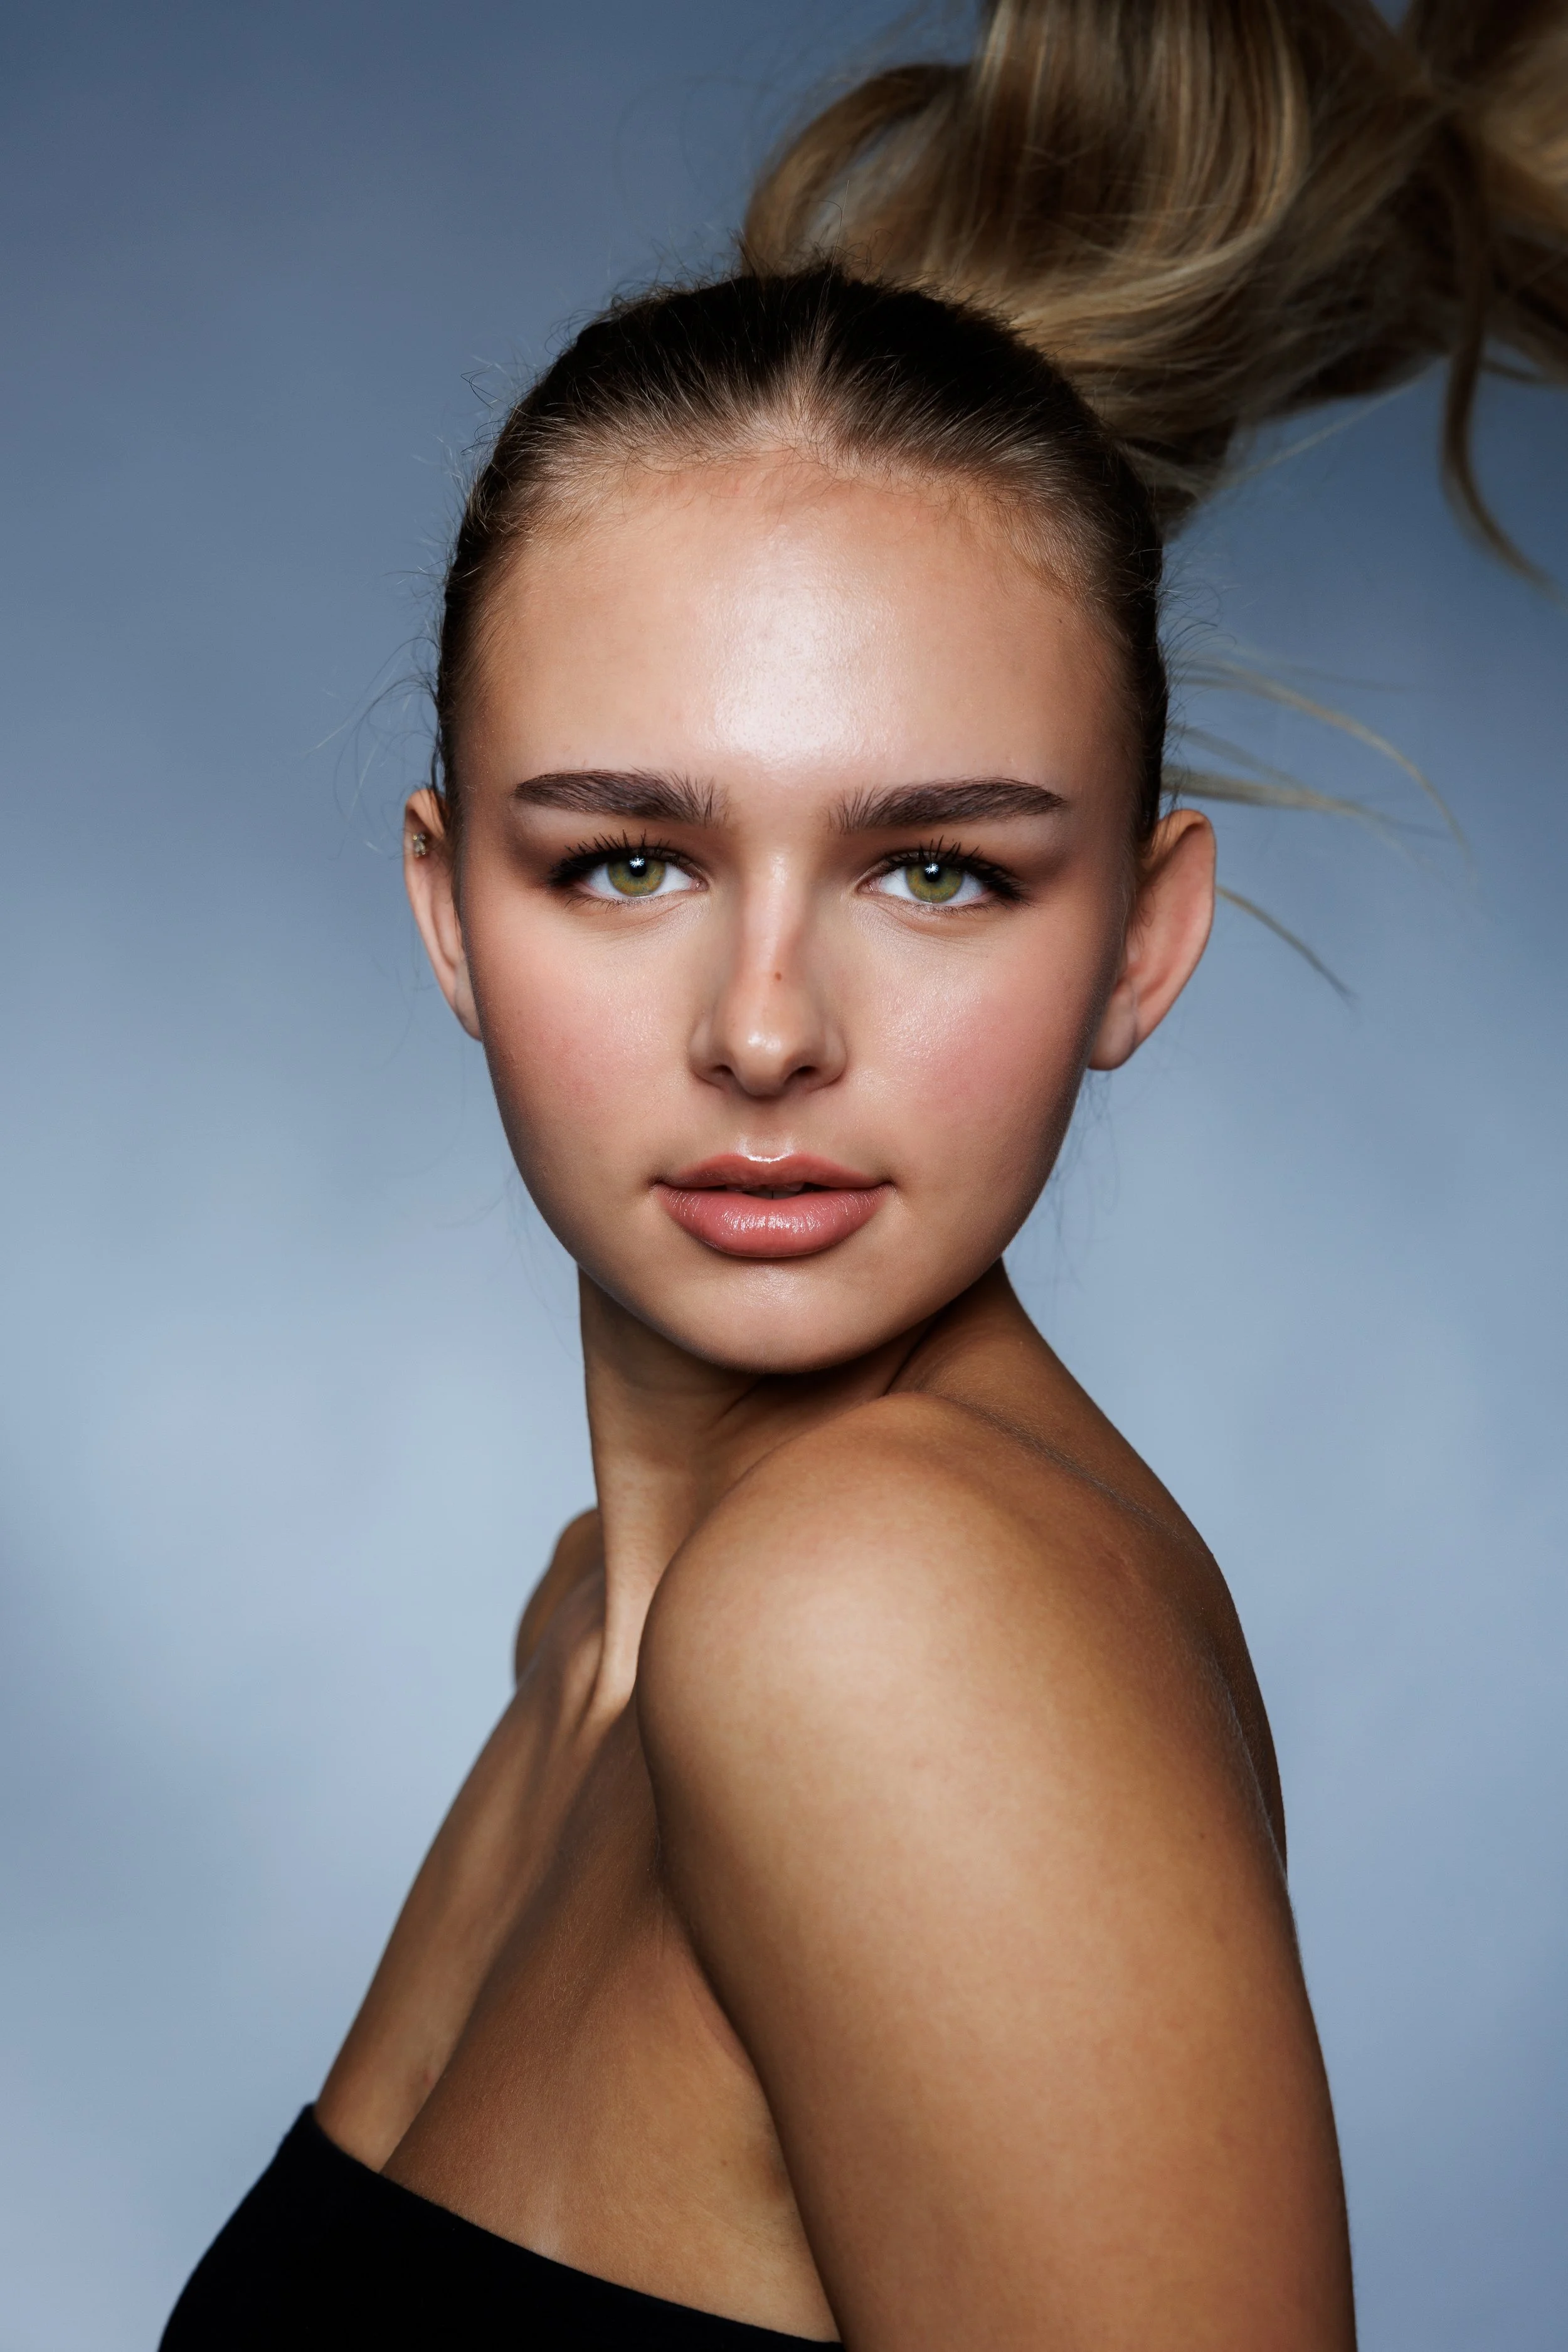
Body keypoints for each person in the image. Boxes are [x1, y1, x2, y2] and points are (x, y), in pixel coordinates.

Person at [161, 3, 1567, 2344]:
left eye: (935, 873)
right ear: (447, 914)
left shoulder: (883, 1618)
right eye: (624, 862)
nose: (764, 1027)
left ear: (1139, 934)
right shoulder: (598, 1633)